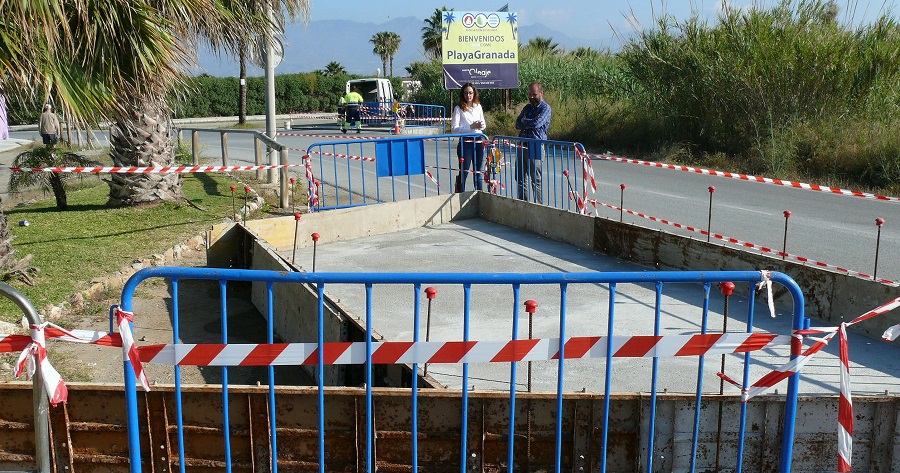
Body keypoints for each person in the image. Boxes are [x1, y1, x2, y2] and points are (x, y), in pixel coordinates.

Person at [514, 81, 551, 203]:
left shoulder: (545, 108)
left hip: (535, 145)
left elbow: (537, 124)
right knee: (520, 178)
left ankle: (538, 206)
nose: (531, 97)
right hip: (522, 145)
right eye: (530, 94)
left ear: (541, 93)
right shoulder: (527, 107)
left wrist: (526, 121)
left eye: (534, 94)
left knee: (536, 179)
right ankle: (522, 203)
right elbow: (518, 124)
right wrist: (529, 121)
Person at [450, 83, 487, 191]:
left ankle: (479, 195)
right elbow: (454, 128)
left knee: (478, 173)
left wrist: (480, 125)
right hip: (466, 142)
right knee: (464, 172)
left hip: (478, 141)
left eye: (470, 93)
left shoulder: (478, 106)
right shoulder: (458, 109)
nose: (468, 95)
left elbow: (483, 123)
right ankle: (460, 196)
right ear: (463, 94)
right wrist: (470, 127)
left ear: (474, 93)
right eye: (466, 93)